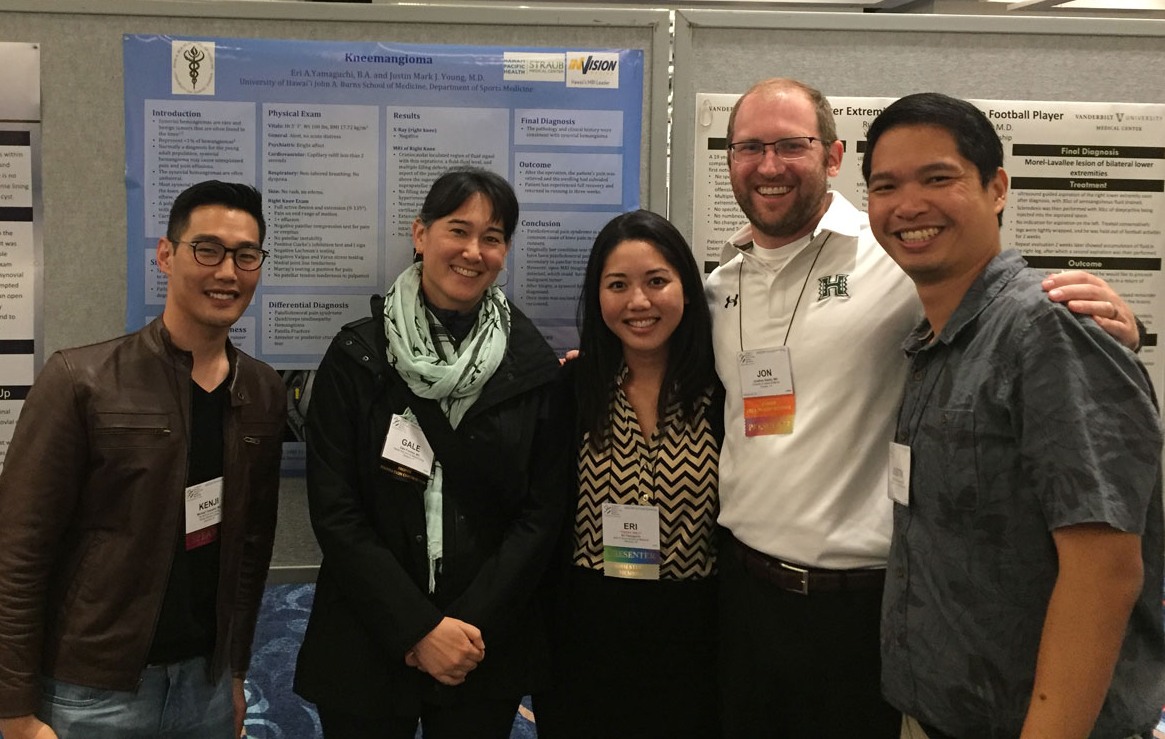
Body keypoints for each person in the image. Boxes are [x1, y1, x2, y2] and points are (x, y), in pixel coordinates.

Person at [706, 78, 1144, 737]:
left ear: (830, 155)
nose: (769, 165)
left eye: (791, 145)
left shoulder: (891, 253)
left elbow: (1106, 564)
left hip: (866, 605)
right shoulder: (720, 281)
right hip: (749, 594)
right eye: (750, 147)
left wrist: (1109, 323)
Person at [863, 92, 1164, 739]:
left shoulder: (1048, 332)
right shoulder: (936, 342)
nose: (908, 205)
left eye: (937, 178)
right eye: (886, 186)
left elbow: (1106, 570)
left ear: (997, 187)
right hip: (941, 714)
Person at [0, 180, 286, 739]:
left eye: (246, 255)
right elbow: (19, 552)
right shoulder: (82, 381)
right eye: (208, 249)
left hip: (207, 689)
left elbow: (250, 549)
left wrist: (236, 674)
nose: (227, 271)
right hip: (91, 691)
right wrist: (15, 711)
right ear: (167, 255)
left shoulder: (262, 392)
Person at [292, 167, 569, 739]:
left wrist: (462, 627)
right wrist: (418, 629)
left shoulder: (531, 364)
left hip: (480, 644)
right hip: (368, 637)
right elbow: (335, 509)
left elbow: (540, 515)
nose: (473, 251)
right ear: (421, 234)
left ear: (505, 251)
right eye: (457, 230)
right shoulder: (357, 356)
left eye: (491, 237)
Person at [535, 210, 723, 738]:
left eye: (656, 281)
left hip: (696, 631)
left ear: (686, 287)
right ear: (599, 297)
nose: (638, 302)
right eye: (618, 285)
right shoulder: (575, 386)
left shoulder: (721, 387)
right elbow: (547, 511)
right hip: (589, 627)